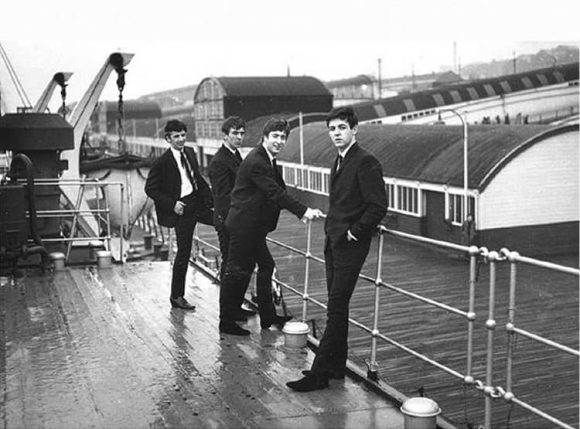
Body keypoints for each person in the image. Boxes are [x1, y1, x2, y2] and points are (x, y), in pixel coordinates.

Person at [287, 106, 388, 392]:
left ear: (354, 129)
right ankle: (335, 367)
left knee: (336, 308)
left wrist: (356, 231)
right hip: (334, 243)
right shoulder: (339, 160)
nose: (336, 134)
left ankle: (319, 374)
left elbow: (378, 205)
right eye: (332, 129)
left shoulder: (366, 162)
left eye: (342, 128)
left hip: (351, 247)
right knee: (337, 308)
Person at [219, 118, 322, 336]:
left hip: (252, 227)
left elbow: (279, 189)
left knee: (266, 266)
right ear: (265, 138)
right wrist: (303, 211)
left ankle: (268, 316)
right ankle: (226, 322)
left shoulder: (267, 159)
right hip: (243, 226)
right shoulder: (258, 161)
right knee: (235, 272)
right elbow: (274, 193)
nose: (279, 141)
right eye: (275, 136)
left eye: (283, 137)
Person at [145, 119, 214, 310]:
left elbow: (197, 179)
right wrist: (172, 204)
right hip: (181, 209)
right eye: (176, 136)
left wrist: (213, 202)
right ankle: (176, 296)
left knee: (224, 222)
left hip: (197, 203)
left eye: (183, 135)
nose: (181, 139)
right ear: (168, 138)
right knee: (183, 252)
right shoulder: (161, 162)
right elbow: (150, 189)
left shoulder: (190, 152)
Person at [208, 116, 256, 320]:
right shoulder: (219, 161)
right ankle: (227, 313)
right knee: (231, 266)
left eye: (242, 133)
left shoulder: (236, 156)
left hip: (238, 220)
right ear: (225, 135)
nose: (239, 137)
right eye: (235, 133)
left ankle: (235, 306)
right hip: (229, 221)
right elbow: (224, 196)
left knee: (241, 265)